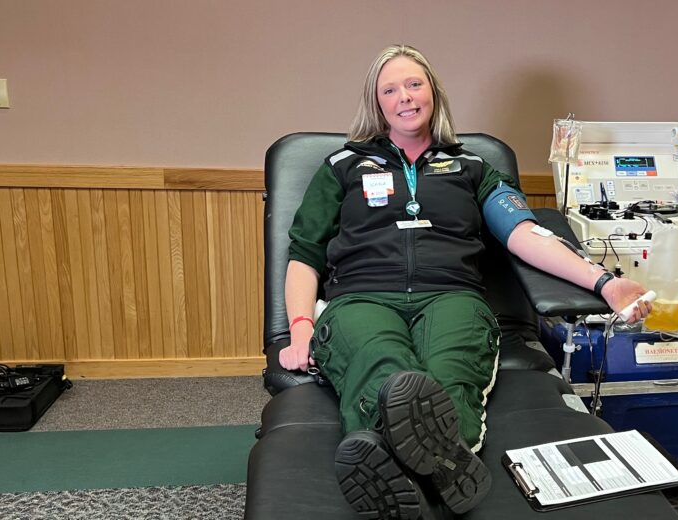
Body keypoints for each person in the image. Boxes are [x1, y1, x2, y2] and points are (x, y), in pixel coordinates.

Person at [278, 44, 652, 519]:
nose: (404, 97)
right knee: (381, 366)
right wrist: (301, 326)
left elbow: (524, 235)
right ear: (376, 103)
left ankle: (390, 467)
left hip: (451, 296)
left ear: (433, 91)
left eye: (414, 84)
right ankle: (443, 472)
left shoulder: (473, 167)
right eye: (389, 89)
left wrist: (606, 284)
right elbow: (304, 256)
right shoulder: (343, 166)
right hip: (361, 296)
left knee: (449, 371)